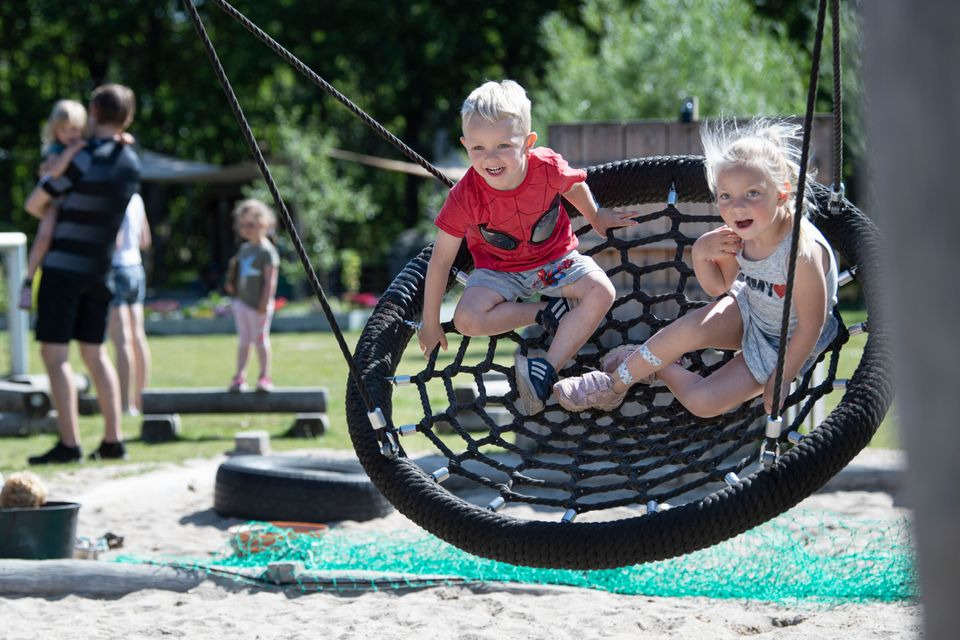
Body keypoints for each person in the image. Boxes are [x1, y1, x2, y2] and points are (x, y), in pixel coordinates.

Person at [553, 119, 839, 418]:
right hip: (751, 309)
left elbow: (811, 325)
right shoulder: (742, 231)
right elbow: (720, 287)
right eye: (726, 196)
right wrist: (702, 253)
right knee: (682, 332)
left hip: (786, 343)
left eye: (752, 193)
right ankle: (613, 385)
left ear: (782, 193)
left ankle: (657, 367)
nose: (737, 206)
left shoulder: (800, 253)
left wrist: (780, 378)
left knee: (703, 403)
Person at [418, 80, 640, 415]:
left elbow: (574, 186)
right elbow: (441, 260)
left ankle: (546, 368)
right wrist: (430, 321)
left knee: (602, 291)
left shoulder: (546, 166)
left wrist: (595, 215)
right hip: (498, 271)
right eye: (478, 148)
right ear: (465, 145)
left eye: (503, 145)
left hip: (555, 261)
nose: (490, 158)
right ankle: (545, 313)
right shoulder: (464, 195)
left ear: (528, 142)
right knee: (465, 319)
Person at [23, 83, 140, 464]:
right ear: (127, 118)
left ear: (92, 111)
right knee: (96, 353)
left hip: (62, 268)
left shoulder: (83, 156)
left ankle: (69, 444)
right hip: (101, 271)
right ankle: (113, 440)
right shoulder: (130, 160)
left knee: (55, 356)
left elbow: (36, 203)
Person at [18, 100, 89, 311]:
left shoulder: (87, 144)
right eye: (64, 130)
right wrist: (70, 153)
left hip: (72, 204)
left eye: (75, 129)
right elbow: (54, 172)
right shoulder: (56, 150)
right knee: (43, 239)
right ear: (55, 131)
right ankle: (28, 281)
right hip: (53, 203)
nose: (70, 135)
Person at [224, 198, 279, 393]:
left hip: (259, 305)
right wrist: (232, 286)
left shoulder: (267, 251)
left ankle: (264, 376)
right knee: (244, 341)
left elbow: (270, 280)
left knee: (260, 340)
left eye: (251, 224)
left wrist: (264, 302)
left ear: (263, 224)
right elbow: (238, 271)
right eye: (242, 225)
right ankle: (240, 376)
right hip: (243, 303)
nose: (246, 229)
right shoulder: (245, 249)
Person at [107, 191, 152, 416]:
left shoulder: (110, 194)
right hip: (136, 267)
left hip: (116, 267)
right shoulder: (136, 197)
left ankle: (125, 404)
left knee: (122, 340)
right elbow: (145, 240)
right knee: (138, 337)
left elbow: (113, 238)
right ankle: (143, 399)